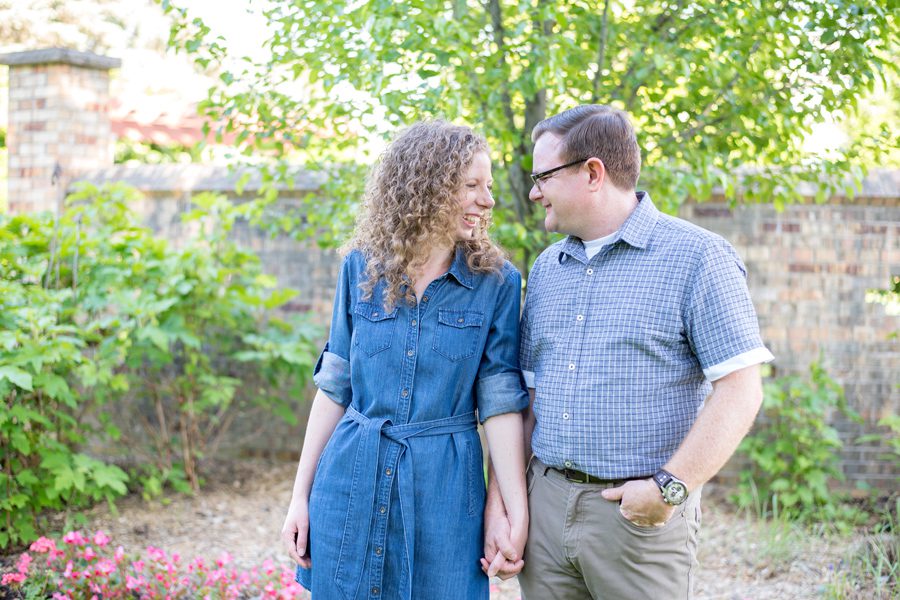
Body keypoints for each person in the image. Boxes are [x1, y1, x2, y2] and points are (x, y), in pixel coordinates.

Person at [482, 105, 774, 599]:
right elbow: (527, 401)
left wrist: (669, 490)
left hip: (636, 520)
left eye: (543, 177)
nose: (534, 192)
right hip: (546, 513)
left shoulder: (698, 258)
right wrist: (505, 504)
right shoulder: (549, 268)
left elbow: (741, 390)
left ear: (593, 172)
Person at [281, 120, 530, 600]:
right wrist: (299, 495)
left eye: (490, 187)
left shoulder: (497, 283)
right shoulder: (361, 268)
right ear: (427, 186)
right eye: (471, 186)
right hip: (350, 480)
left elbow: (501, 404)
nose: (487, 200)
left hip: (444, 493)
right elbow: (335, 386)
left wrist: (511, 511)